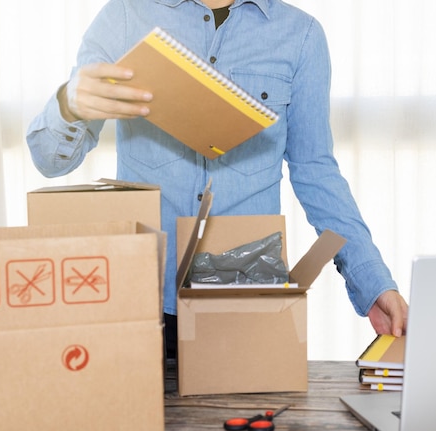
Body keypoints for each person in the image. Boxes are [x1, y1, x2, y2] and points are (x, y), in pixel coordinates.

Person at [26, 0, 408, 356]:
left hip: (247, 302)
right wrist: (68, 105)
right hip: (140, 301)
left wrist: (372, 282)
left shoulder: (301, 35)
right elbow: (51, 163)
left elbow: (316, 172)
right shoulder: (127, 15)